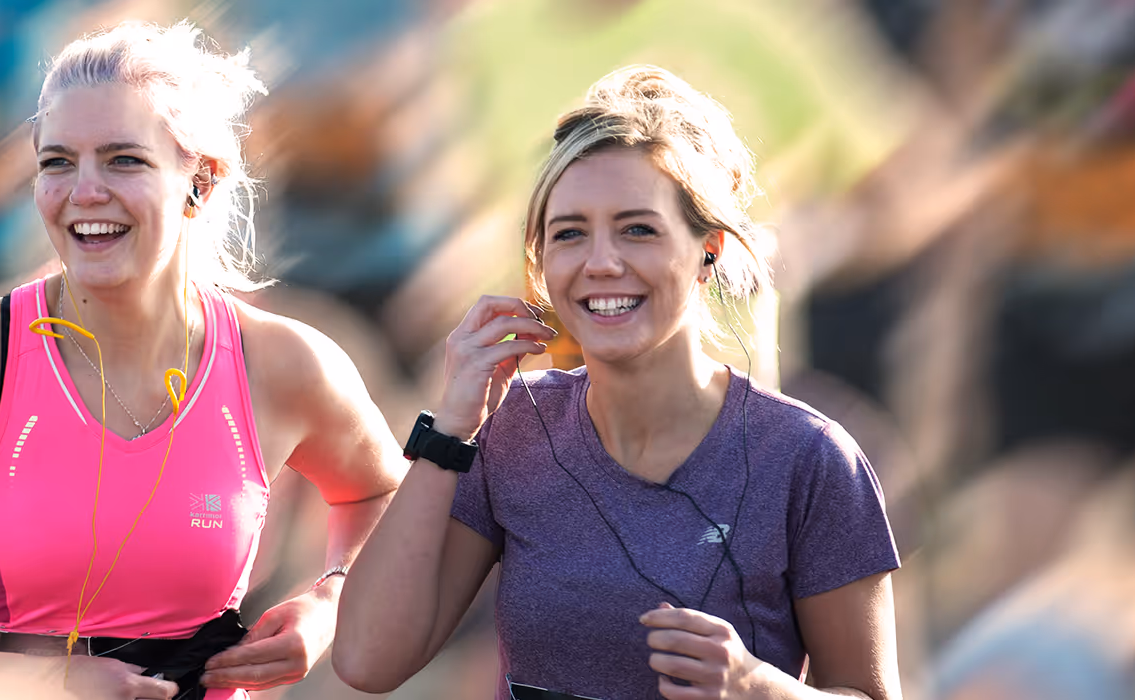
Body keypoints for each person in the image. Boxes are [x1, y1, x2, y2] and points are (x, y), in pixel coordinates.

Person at [0, 21, 403, 700]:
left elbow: (387, 495)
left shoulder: (282, 363)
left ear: (199, 179)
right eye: (57, 162)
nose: (83, 191)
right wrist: (44, 682)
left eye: (123, 160)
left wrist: (328, 605)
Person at [335, 65, 902, 700]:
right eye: (569, 234)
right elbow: (366, 660)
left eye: (638, 229)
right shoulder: (518, 430)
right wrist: (449, 429)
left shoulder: (811, 457)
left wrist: (760, 690)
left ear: (707, 249)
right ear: (541, 262)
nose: (601, 263)